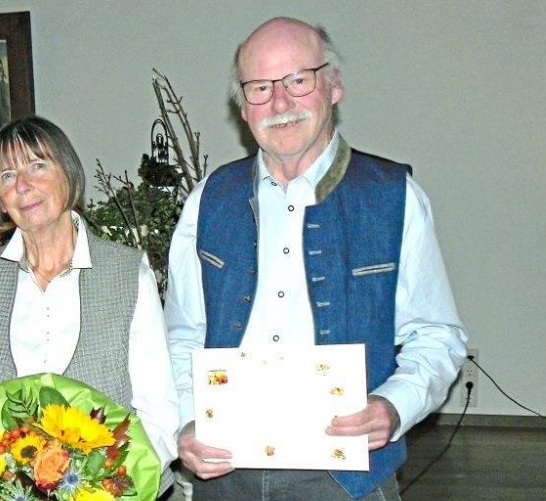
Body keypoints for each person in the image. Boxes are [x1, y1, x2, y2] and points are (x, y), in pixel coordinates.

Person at [165, 17, 468, 500]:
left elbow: (437, 336)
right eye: (260, 87)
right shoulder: (208, 200)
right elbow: (182, 336)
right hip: (225, 476)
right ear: (243, 107)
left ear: (333, 86)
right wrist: (186, 420)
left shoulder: (393, 197)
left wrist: (393, 406)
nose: (280, 103)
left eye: (298, 81)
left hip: (346, 479)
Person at [0, 116, 179, 494]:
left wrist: (101, 492)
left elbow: (158, 416)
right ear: (0, 199)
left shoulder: (128, 274)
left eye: (38, 165)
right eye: (6, 175)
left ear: (68, 173)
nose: (23, 185)